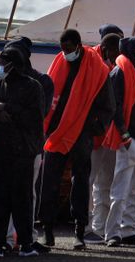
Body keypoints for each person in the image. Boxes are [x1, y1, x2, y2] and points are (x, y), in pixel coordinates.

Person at [39, 29, 114, 249]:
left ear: (79, 46)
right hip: (56, 133)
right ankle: (47, 231)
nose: (66, 53)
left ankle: (80, 231)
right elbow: (47, 94)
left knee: (81, 182)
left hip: (81, 133)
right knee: (49, 181)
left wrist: (93, 128)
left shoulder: (97, 68)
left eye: (69, 49)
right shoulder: (58, 62)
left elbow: (108, 105)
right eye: (63, 49)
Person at [0, 48, 45, 258]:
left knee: (22, 199)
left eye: (2, 62)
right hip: (0, 150)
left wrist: (7, 108)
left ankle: (26, 243)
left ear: (12, 63)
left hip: (22, 152)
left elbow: (36, 116)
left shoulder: (32, 86)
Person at [3, 36, 54, 253]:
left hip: (29, 146)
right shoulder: (2, 80)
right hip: (5, 145)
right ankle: (5, 236)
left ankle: (27, 237)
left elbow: (39, 114)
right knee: (5, 192)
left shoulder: (42, 81)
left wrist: (8, 110)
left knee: (28, 193)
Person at [103, 37, 135, 247]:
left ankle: (128, 230)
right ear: (132, 52)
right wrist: (124, 134)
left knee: (134, 190)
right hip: (128, 139)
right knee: (120, 190)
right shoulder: (119, 72)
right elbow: (114, 106)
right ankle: (112, 232)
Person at [85, 32, 122, 244]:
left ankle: (99, 226)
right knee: (89, 181)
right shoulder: (93, 68)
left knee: (106, 182)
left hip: (110, 136)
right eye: (116, 50)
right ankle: (85, 226)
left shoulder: (116, 69)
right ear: (107, 49)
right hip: (96, 134)